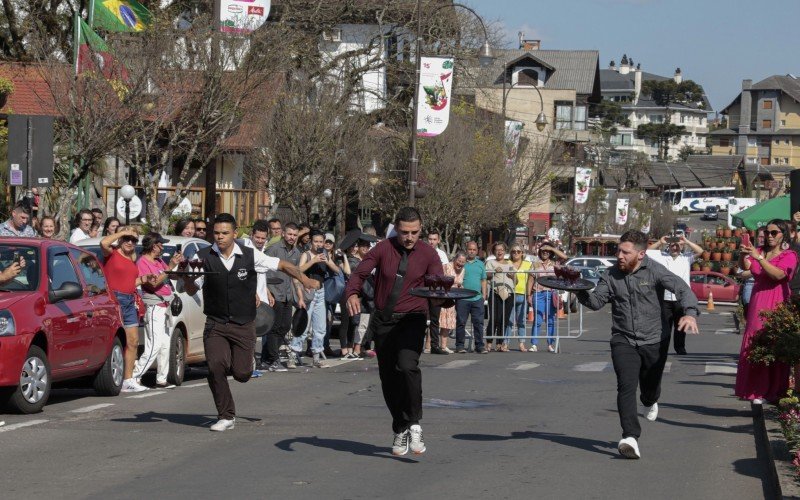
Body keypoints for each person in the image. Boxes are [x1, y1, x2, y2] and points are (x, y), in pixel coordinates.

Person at [183, 213, 318, 431]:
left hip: (244, 323)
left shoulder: (249, 255)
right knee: (215, 366)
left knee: (242, 374)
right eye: (216, 233)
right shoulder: (203, 256)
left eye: (225, 233)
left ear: (234, 234)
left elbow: (282, 265)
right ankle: (226, 416)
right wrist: (187, 278)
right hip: (216, 322)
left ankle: (242, 363)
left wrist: (304, 279)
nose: (220, 237)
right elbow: (190, 289)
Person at [576, 230, 699, 459]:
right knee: (626, 385)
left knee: (650, 388)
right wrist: (578, 289)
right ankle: (630, 437)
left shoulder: (655, 271)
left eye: (625, 252)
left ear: (641, 254)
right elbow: (595, 302)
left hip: (655, 338)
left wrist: (690, 313)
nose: (619, 256)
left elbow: (682, 288)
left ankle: (650, 400)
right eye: (618, 251)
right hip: (623, 338)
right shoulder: (611, 275)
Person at [345, 207, 445, 456]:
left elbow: (438, 286)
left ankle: (414, 422)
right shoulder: (382, 248)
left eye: (414, 232)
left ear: (421, 229)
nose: (409, 237)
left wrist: (443, 299)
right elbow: (360, 273)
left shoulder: (429, 254)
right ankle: (400, 428)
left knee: (407, 366)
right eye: (404, 232)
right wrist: (352, 293)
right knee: (388, 377)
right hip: (384, 320)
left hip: (413, 319)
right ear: (396, 229)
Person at [735, 219, 797, 405]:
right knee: (755, 343)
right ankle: (756, 390)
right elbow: (746, 267)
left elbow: (779, 275)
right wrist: (742, 254)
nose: (769, 236)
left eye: (774, 233)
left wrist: (759, 258)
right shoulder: (759, 252)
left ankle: (775, 390)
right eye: (767, 233)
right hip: (758, 301)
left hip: (777, 301)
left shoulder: (789, 255)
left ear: (782, 235)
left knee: (774, 344)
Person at [101, 227, 152, 393]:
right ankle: (112, 377)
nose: (130, 242)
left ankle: (128, 380)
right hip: (114, 300)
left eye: (134, 240)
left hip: (129, 300)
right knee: (115, 341)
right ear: (120, 239)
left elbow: (130, 281)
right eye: (127, 238)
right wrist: (122, 233)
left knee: (133, 341)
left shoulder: (132, 258)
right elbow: (103, 242)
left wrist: (143, 279)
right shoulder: (112, 253)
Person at [134, 232, 183, 389]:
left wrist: (175, 265)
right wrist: (169, 267)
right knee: (154, 345)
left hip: (165, 306)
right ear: (154, 246)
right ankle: (135, 376)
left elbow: (169, 276)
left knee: (165, 344)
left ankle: (161, 379)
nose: (163, 247)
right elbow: (153, 283)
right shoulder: (143, 262)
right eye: (161, 244)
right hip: (154, 307)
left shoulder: (159, 261)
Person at [646, 233, 704, 355]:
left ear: (681, 247)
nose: (675, 248)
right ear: (669, 246)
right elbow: (647, 252)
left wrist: (687, 241)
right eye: (672, 245)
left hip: (681, 299)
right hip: (665, 297)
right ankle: (663, 349)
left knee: (680, 326)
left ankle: (680, 348)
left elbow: (700, 251)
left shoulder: (686, 258)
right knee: (665, 326)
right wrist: (660, 242)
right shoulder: (662, 257)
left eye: (677, 246)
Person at [291, 230, 341, 368]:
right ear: (311, 242)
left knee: (320, 327)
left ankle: (316, 356)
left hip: (321, 291)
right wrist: (313, 260)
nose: (319, 244)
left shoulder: (324, 254)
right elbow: (298, 270)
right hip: (308, 292)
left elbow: (337, 270)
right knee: (303, 325)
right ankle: (293, 354)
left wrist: (328, 262)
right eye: (316, 241)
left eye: (321, 242)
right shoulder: (306, 255)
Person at [261, 222, 302, 371]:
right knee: (274, 327)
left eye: (295, 235)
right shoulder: (273, 249)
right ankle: (273, 359)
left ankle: (267, 356)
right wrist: (266, 291)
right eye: (289, 234)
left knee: (285, 326)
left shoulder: (296, 253)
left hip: (287, 294)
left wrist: (300, 296)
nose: (292, 237)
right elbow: (262, 270)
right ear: (283, 233)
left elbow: (295, 276)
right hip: (274, 292)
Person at [530, 241, 567, 352]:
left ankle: (550, 344)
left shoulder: (555, 263)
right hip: (538, 293)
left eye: (547, 251)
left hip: (551, 294)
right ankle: (534, 344)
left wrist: (552, 248)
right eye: (543, 250)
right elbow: (531, 279)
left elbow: (565, 257)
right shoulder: (535, 264)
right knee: (538, 319)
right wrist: (528, 295)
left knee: (550, 320)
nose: (545, 252)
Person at [455, 241, 487, 353]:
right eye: (470, 249)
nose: (472, 251)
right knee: (461, 322)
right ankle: (460, 346)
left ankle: (480, 346)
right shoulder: (461, 262)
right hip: (462, 298)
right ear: (466, 249)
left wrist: (484, 295)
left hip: (477, 298)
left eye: (474, 250)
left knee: (478, 322)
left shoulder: (480, 264)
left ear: (477, 251)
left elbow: (483, 280)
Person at [485, 242, 516, 352]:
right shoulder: (490, 262)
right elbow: (486, 276)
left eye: (502, 249)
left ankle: (499, 343)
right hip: (495, 292)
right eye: (497, 250)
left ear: (505, 251)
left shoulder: (510, 264)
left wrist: (513, 277)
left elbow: (515, 281)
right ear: (494, 252)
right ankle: (488, 342)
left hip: (509, 293)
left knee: (504, 319)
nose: (499, 252)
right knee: (494, 318)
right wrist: (493, 272)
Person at [424, 229, 449, 354]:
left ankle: (434, 345)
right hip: (423, 289)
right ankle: (417, 344)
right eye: (430, 239)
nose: (432, 242)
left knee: (434, 319)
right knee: (420, 317)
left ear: (438, 240)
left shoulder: (442, 254)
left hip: (436, 290)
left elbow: (444, 271)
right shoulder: (421, 251)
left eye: (434, 239)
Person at [506, 244, 533, 352]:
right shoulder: (507, 263)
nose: (516, 253)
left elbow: (532, 278)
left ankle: (521, 343)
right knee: (509, 321)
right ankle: (505, 343)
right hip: (509, 295)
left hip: (522, 295)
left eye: (518, 251)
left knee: (521, 321)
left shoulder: (528, 264)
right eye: (513, 251)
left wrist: (529, 294)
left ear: (522, 253)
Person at [437, 252, 466, 354]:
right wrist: (455, 283)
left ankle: (444, 346)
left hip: (452, 299)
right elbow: (441, 279)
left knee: (447, 323)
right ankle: (431, 345)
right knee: (437, 322)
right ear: (454, 260)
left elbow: (459, 283)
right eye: (459, 261)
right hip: (441, 297)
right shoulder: (447, 266)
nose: (460, 264)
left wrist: (459, 286)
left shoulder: (463, 270)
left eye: (463, 262)